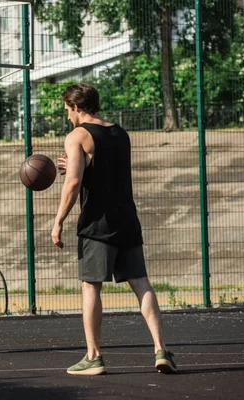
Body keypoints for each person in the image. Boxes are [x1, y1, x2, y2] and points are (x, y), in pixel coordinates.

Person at [51, 83, 177, 376]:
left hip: (98, 223)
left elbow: (73, 183)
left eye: (67, 109)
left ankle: (93, 356)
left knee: (90, 285)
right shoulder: (120, 133)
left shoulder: (77, 135)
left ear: (77, 107)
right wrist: (75, 166)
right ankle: (161, 350)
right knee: (140, 282)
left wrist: (58, 221)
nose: (67, 114)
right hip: (127, 220)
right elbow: (103, 169)